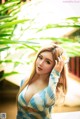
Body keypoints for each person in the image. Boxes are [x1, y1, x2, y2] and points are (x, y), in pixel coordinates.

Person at [16, 43, 69, 119]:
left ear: (56, 66)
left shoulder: (53, 88)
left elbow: (48, 102)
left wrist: (55, 73)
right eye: (40, 58)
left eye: (48, 62)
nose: (40, 63)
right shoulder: (25, 81)